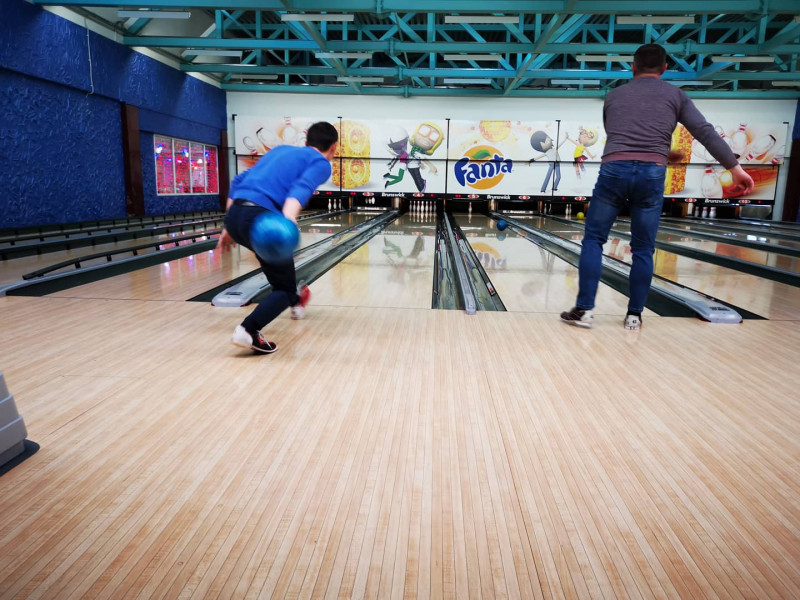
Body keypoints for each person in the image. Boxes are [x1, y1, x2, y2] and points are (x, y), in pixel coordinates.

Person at [560, 43, 754, 331]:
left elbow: (620, 136)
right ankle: (634, 316)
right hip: (652, 174)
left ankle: (584, 311)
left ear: (633, 68)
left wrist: (658, 152)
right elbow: (704, 132)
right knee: (643, 248)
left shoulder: (613, 96)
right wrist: (734, 168)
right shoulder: (676, 95)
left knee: (593, 240)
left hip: (614, 171)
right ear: (664, 68)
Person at [216, 121, 338, 353]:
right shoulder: (321, 163)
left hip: (236, 215)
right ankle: (248, 330)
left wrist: (228, 226)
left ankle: (296, 300)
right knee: (285, 289)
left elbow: (239, 181)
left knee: (281, 277)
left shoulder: (280, 150)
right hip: (263, 219)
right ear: (333, 147)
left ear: (306, 142)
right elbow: (301, 187)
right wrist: (288, 219)